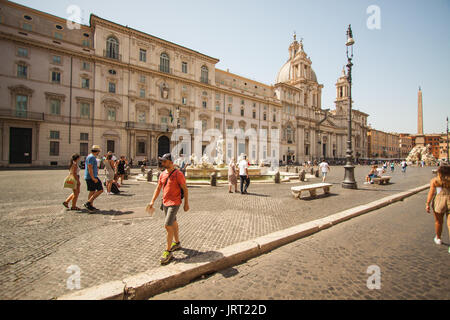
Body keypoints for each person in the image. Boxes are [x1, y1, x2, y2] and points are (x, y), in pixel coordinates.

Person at [148, 153, 189, 265]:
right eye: (162, 161)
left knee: (167, 225)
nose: (162, 163)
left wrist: (186, 204)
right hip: (165, 202)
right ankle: (177, 243)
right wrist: (152, 201)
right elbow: (158, 188)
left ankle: (168, 251)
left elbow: (185, 189)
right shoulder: (162, 174)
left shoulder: (178, 174)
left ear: (170, 162)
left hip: (175, 203)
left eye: (164, 161)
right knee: (173, 222)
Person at [425, 166, 450, 253]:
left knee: (438, 222)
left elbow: (431, 193)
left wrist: (427, 203)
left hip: (439, 201)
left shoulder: (435, 180)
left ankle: (438, 238)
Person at [83, 145, 104, 212]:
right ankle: (88, 203)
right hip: (92, 177)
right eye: (98, 151)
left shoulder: (89, 156)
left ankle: (90, 207)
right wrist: (93, 178)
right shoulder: (92, 157)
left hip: (89, 176)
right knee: (100, 190)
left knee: (92, 191)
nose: (99, 153)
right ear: (97, 151)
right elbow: (90, 168)